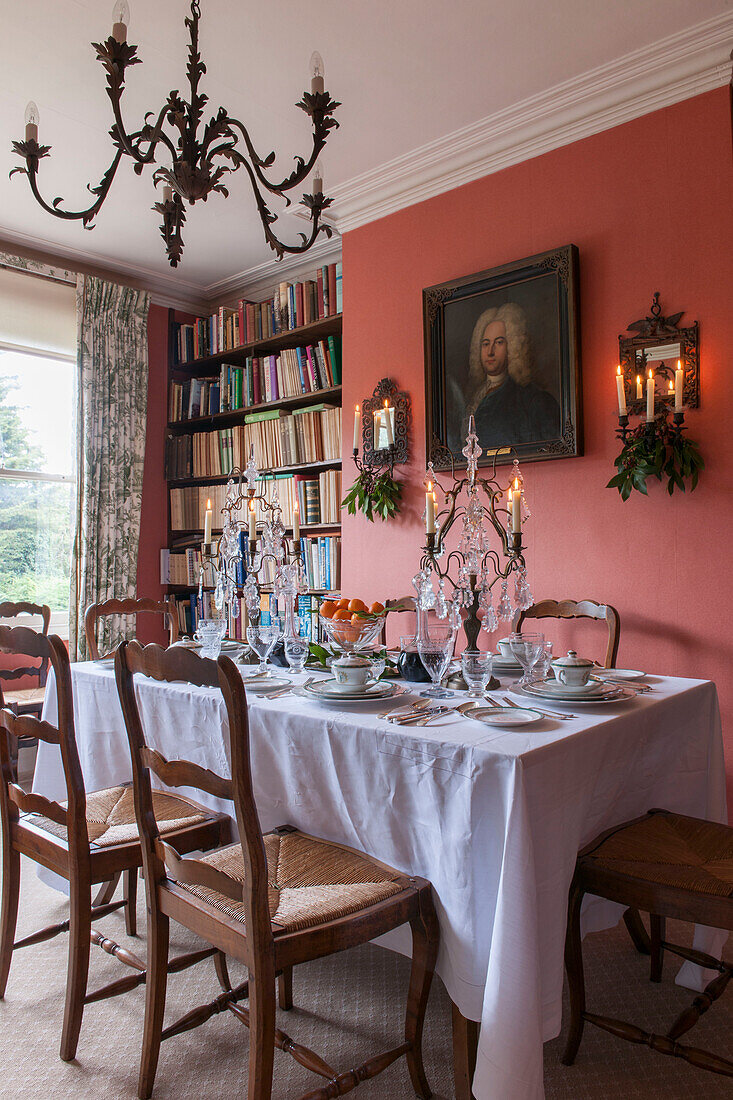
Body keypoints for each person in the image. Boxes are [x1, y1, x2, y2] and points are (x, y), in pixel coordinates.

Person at [464, 302, 560, 448]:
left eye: (499, 342)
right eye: (485, 343)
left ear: (513, 345)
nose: (490, 351)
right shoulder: (474, 397)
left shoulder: (533, 401)